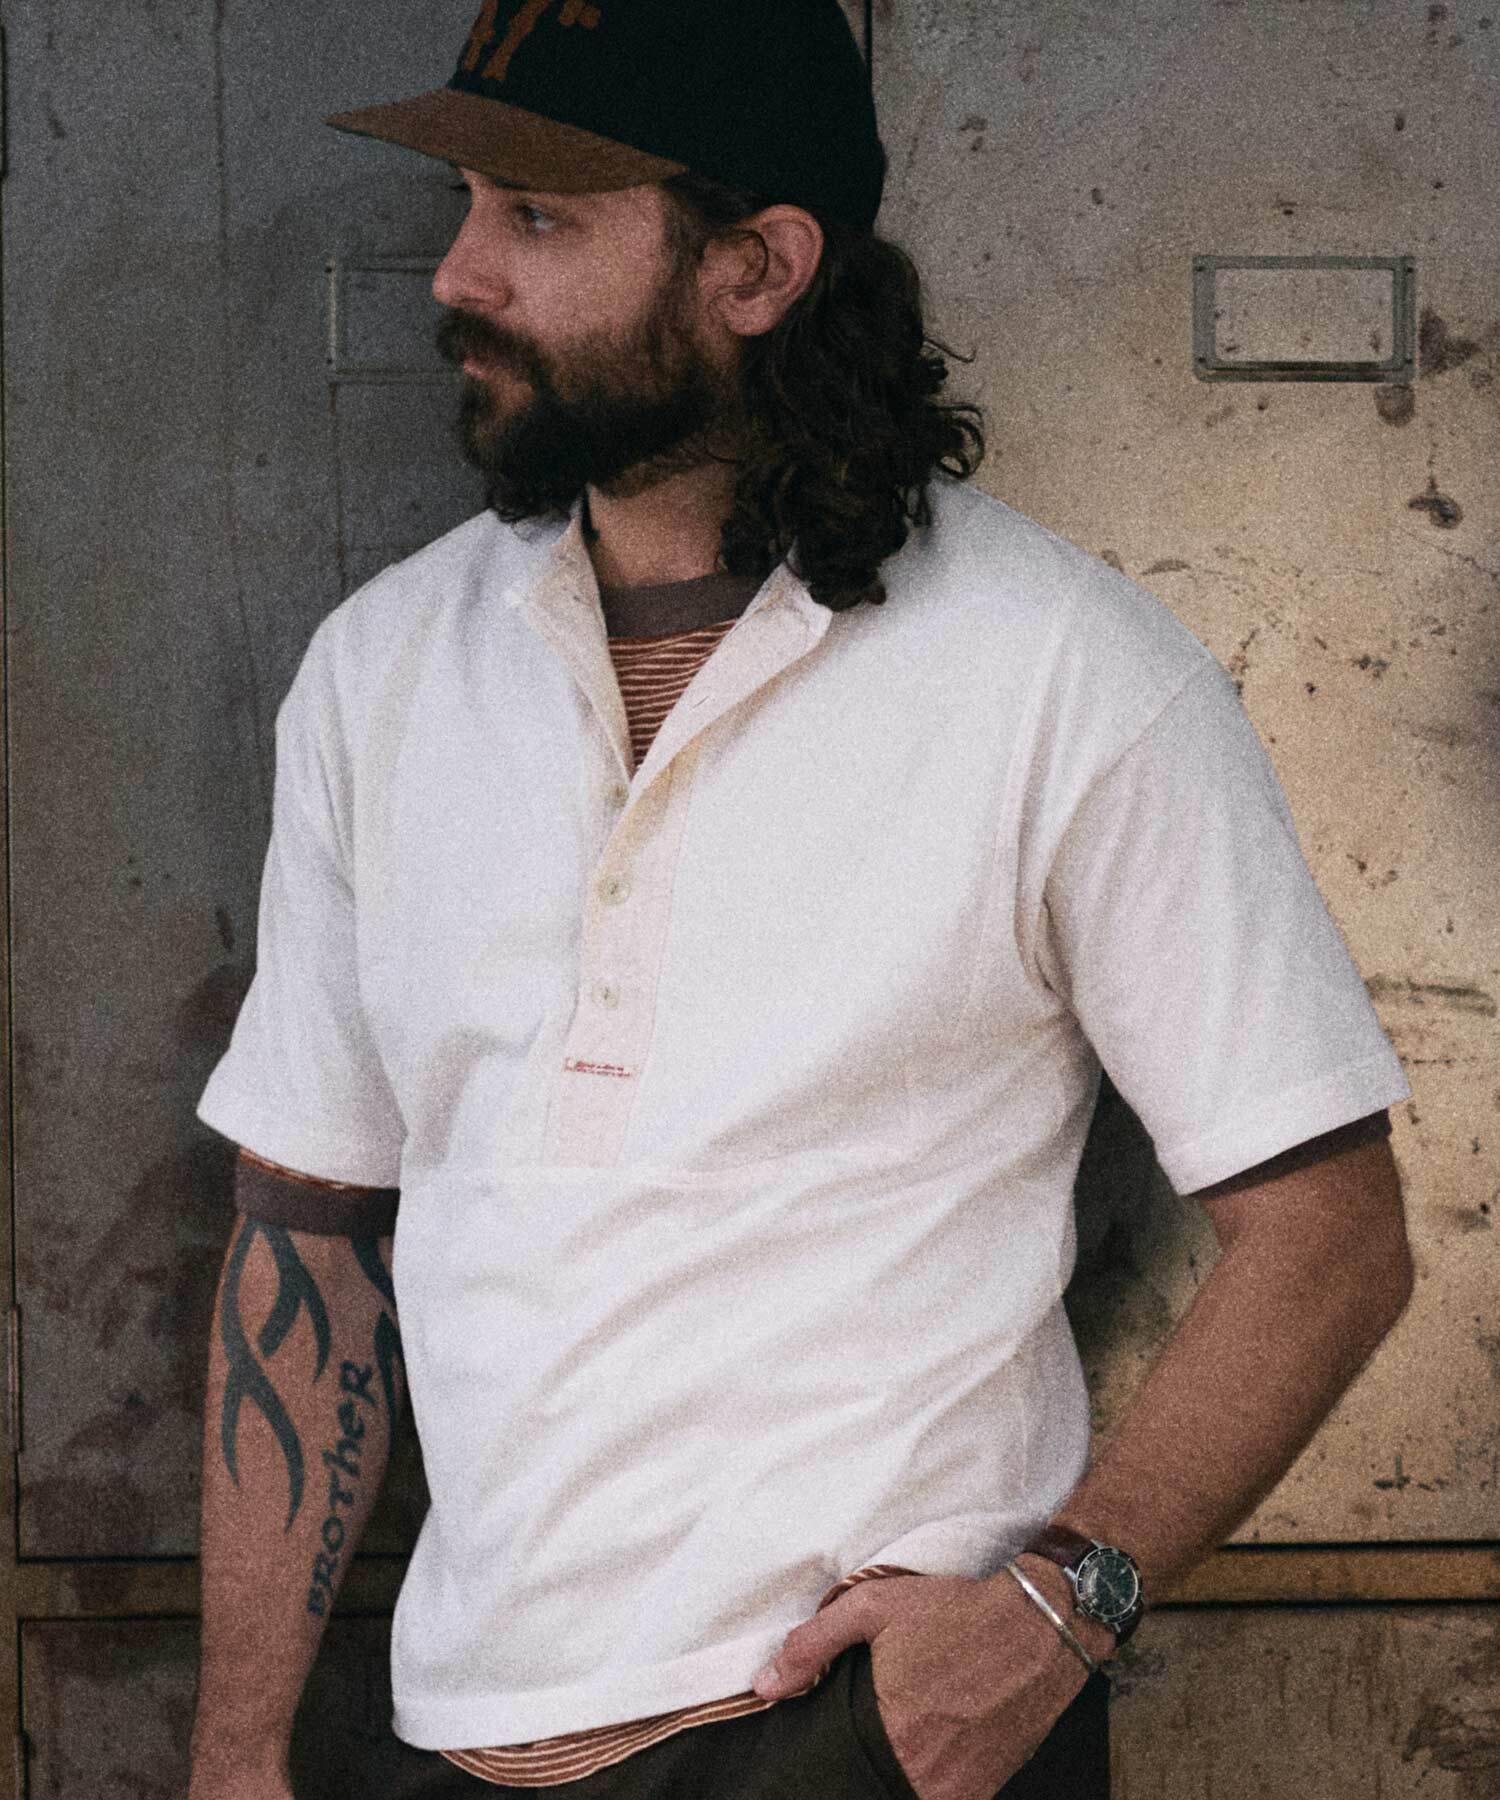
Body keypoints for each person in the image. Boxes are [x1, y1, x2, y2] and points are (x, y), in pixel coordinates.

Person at [186, 4, 1414, 1797]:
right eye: (465, 205)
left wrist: (1053, 1614)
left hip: (860, 1737)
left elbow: (1332, 1235)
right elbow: (305, 1235)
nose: (456, 275)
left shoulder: (1063, 671)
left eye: (538, 216)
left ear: (755, 268)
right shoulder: (383, 673)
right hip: (460, 1737)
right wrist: (234, 1754)